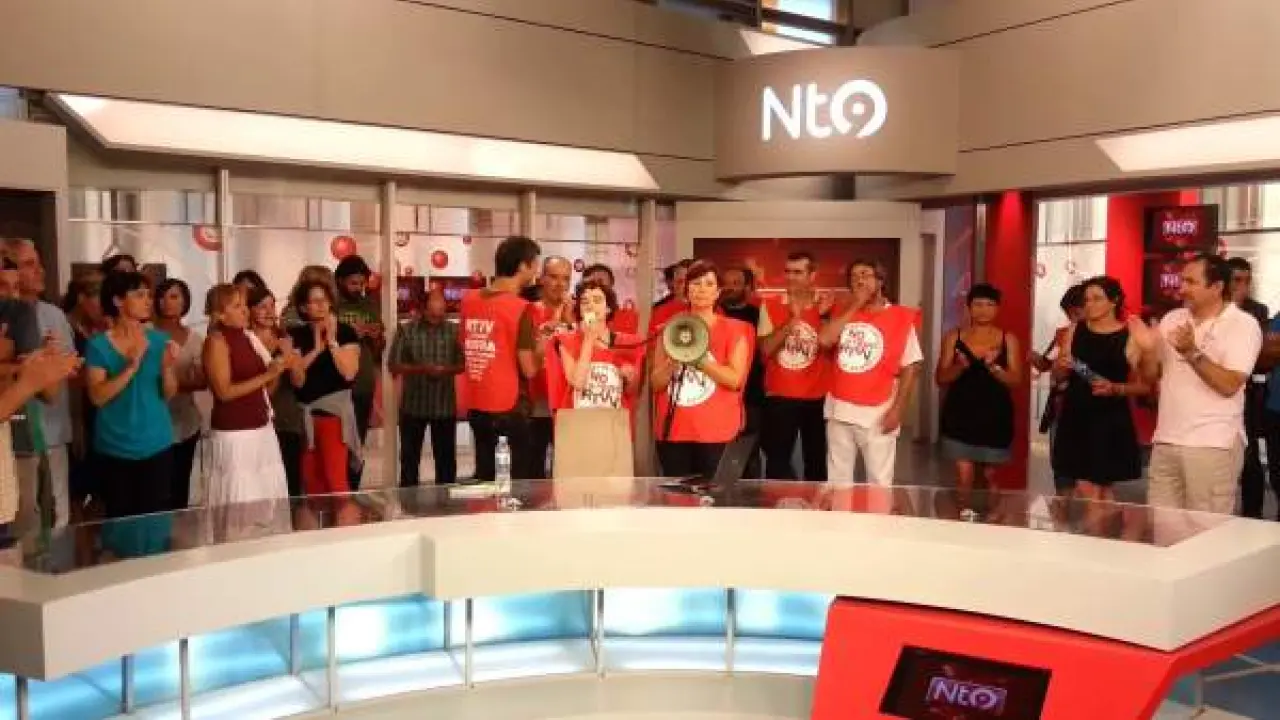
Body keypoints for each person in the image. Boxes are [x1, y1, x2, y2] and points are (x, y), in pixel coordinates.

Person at [1135, 254, 1262, 514]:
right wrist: (1147, 351)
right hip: (1166, 440)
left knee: (1205, 530)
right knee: (1162, 526)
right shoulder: (1172, 318)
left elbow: (1229, 385)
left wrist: (1191, 352)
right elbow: (1150, 378)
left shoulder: (1243, 325)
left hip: (1212, 443)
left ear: (1216, 287)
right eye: (1182, 280)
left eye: (1191, 282)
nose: (1181, 288)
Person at [1051, 277, 1146, 526]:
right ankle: (1102, 535)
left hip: (1110, 418)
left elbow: (1145, 385)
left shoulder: (1129, 335)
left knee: (1100, 488)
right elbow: (1060, 374)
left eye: (1097, 299)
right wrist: (1060, 367)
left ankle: (1101, 537)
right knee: (1088, 488)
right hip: (1076, 415)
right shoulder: (1075, 330)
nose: (1090, 305)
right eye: (1086, 300)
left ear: (1114, 301)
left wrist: (1116, 388)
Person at [819, 259, 922, 487]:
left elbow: (911, 367)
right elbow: (824, 340)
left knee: (879, 482)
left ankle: (878, 513)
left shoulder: (901, 317)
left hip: (878, 412)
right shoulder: (843, 312)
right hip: (839, 409)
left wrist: (898, 410)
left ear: (880, 281)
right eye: (854, 277)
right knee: (838, 481)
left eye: (865, 275)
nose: (859, 281)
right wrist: (855, 305)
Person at [85, 271, 179, 520]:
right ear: (117, 300)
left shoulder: (159, 340)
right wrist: (131, 367)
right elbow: (97, 396)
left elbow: (168, 393)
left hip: (156, 443)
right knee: (120, 522)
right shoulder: (98, 345)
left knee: (156, 520)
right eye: (139, 295)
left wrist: (167, 368)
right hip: (115, 447)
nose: (148, 301)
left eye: (149, 295)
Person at [651, 260, 751, 478]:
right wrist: (673, 362)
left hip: (716, 431)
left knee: (713, 495)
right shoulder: (670, 328)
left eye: (709, 284)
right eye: (696, 283)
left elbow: (734, 379)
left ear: (718, 292)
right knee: (676, 494)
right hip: (674, 430)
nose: (702, 289)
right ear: (686, 289)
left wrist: (699, 360)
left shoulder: (735, 329)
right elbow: (655, 383)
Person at [4, 238, 75, 531]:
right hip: (12, 438)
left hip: (43, 434)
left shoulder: (50, 315)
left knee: (49, 523)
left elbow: (51, 388)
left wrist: (48, 364)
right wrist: (25, 371)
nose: (39, 270)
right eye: (28, 264)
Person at [202, 284, 292, 511]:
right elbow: (223, 392)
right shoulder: (216, 341)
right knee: (241, 500)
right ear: (220, 314)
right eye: (236, 306)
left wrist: (278, 367)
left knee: (265, 499)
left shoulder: (249, 337)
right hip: (235, 433)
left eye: (244, 305)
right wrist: (267, 375)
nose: (244, 310)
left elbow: (266, 389)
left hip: (261, 426)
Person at [460, 236, 541, 482]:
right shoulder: (520, 308)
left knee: (485, 476)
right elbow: (529, 369)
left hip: (477, 402)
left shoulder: (469, 300)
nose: (537, 270)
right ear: (523, 266)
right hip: (509, 406)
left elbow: (463, 344)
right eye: (535, 264)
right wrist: (543, 346)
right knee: (515, 482)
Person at [937, 284, 1021, 508]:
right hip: (959, 415)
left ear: (998, 308)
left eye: (990, 305)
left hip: (995, 417)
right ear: (969, 307)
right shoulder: (953, 337)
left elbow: (1016, 379)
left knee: (991, 476)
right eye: (978, 304)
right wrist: (961, 366)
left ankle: (991, 521)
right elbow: (941, 378)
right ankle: (964, 517)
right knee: (963, 476)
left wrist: (994, 368)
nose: (983, 310)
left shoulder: (1008, 339)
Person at [757, 251, 831, 481]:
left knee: (817, 462)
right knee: (777, 462)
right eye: (788, 271)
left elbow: (831, 344)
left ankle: (816, 504)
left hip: (818, 396)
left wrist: (823, 316)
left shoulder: (827, 305)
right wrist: (792, 321)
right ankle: (777, 503)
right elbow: (766, 349)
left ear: (812, 275)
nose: (791, 277)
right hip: (780, 395)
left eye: (798, 272)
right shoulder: (770, 304)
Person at [288, 278, 362, 496]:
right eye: (315, 301)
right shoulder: (296, 335)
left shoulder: (345, 332)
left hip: (334, 415)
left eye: (324, 300)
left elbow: (349, 372)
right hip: (304, 417)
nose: (321, 305)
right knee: (311, 482)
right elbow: (297, 379)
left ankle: (344, 517)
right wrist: (316, 350)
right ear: (304, 307)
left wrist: (331, 342)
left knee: (335, 479)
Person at [388, 289, 463, 487]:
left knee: (446, 462)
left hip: (444, 405)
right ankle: (407, 500)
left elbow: (463, 364)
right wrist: (421, 369)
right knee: (409, 461)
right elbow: (393, 365)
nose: (441, 305)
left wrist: (444, 370)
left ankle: (445, 500)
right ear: (424, 307)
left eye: (443, 301)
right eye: (436, 301)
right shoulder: (407, 330)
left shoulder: (455, 331)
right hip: (413, 406)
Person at [153, 278, 206, 510]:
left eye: (174, 296)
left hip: (186, 421)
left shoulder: (195, 339)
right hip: (154, 421)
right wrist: (181, 380)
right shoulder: (147, 335)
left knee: (180, 486)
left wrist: (172, 382)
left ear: (185, 301)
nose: (167, 302)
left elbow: (203, 380)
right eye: (162, 297)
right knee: (157, 488)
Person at [248, 286, 305, 497]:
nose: (269, 312)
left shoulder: (286, 339)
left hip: (287, 419)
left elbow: (299, 382)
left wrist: (290, 357)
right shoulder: (245, 341)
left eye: (272, 306)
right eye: (262, 306)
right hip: (256, 420)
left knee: (290, 482)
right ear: (249, 310)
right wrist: (276, 367)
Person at [1031, 283, 1086, 500]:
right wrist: (1033, 357)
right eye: (1069, 314)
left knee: (1089, 472)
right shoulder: (1062, 334)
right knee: (1061, 466)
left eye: (1076, 313)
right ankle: (1063, 506)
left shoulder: (1106, 336)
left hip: (1089, 408)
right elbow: (1046, 364)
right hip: (1061, 406)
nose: (1072, 318)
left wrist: (1072, 365)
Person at [1226, 257, 1272, 519]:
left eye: (1247, 280)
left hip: (1248, 391)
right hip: (1215, 388)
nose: (1242, 285)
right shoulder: (1215, 308)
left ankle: (1252, 512)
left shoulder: (1257, 310)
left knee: (1250, 454)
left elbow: (1259, 351)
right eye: (1237, 280)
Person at [557, 279, 641, 410]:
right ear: (579, 309)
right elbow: (578, 382)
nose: (590, 306)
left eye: (597, 300)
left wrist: (630, 377)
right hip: (579, 417)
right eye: (585, 302)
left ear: (608, 308)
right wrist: (588, 340)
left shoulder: (626, 343)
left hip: (614, 418)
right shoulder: (567, 341)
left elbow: (633, 392)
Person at [527, 256, 575, 478]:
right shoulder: (529, 311)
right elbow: (527, 360)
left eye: (566, 278)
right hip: (536, 400)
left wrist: (571, 322)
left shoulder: (579, 313)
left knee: (566, 469)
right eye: (554, 277)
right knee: (533, 467)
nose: (560, 284)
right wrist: (553, 324)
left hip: (568, 402)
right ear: (541, 279)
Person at [719, 265, 765, 478]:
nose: (729, 287)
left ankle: (751, 495)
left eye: (736, 283)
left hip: (751, 395)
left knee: (748, 453)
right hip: (719, 393)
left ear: (748, 287)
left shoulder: (758, 315)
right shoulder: (713, 315)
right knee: (719, 454)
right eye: (726, 283)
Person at [582, 263, 638, 333]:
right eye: (591, 284)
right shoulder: (585, 313)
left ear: (611, 285)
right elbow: (592, 328)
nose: (597, 287)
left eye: (600, 281)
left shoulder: (624, 316)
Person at [648, 259, 693, 335]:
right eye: (680, 282)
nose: (685, 286)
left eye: (690, 282)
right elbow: (651, 340)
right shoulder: (660, 312)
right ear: (673, 284)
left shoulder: (712, 310)